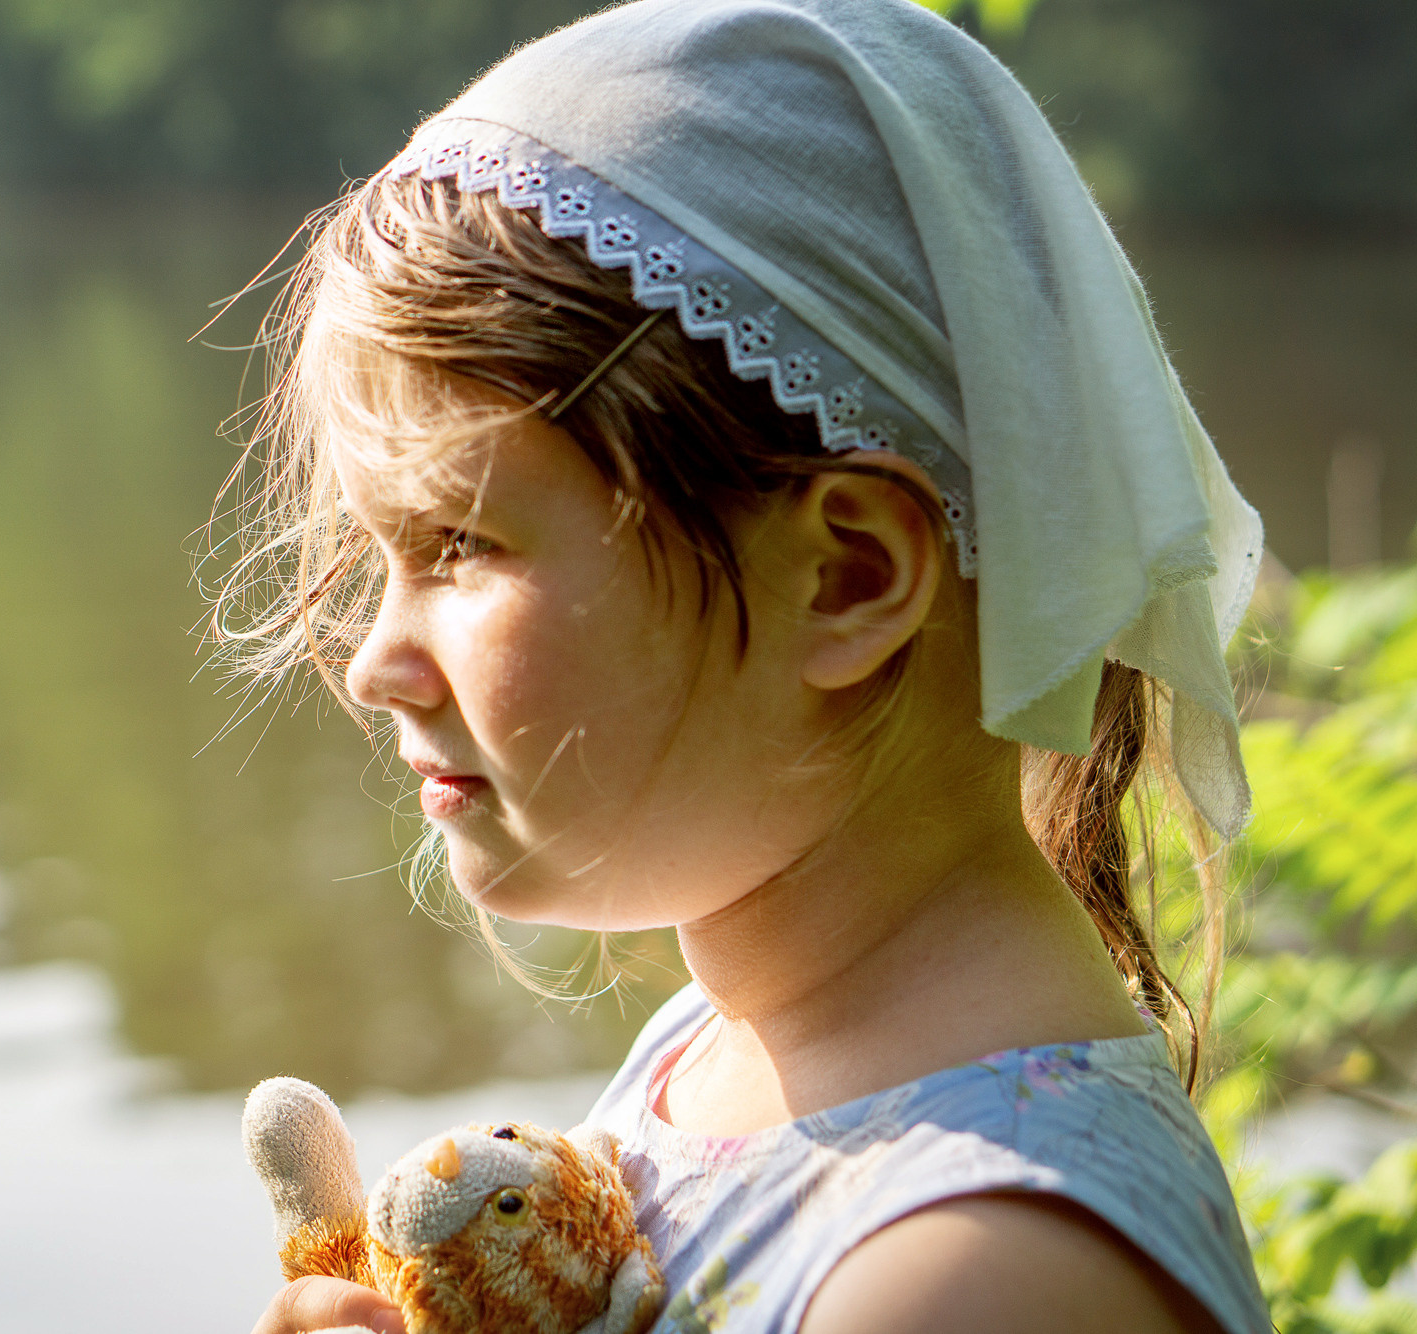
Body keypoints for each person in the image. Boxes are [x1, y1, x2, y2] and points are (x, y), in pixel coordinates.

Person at [217, 1, 1270, 1330]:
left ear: (848, 577)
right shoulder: (723, 1049)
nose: (375, 660)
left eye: (462, 544)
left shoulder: (973, 1274)